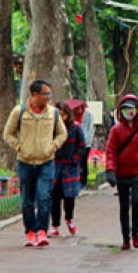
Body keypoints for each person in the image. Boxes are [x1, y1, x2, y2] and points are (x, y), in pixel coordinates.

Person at [3, 79, 67, 247]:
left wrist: (52, 147)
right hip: (25, 161)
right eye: (46, 94)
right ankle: (30, 231)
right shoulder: (20, 111)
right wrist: (19, 147)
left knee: (44, 197)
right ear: (35, 95)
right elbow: (7, 134)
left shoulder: (53, 113)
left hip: (46, 161)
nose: (49, 97)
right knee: (27, 200)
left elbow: (62, 133)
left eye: (49, 94)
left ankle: (41, 232)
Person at [105, 94, 138, 250]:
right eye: (125, 109)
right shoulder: (116, 130)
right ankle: (125, 238)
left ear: (137, 110)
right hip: (122, 174)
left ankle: (135, 233)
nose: (129, 112)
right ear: (120, 111)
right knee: (123, 206)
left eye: (132, 109)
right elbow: (111, 152)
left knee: (136, 202)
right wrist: (110, 170)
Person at [49, 102, 86, 238]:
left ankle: (69, 219)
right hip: (56, 166)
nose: (61, 117)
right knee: (55, 198)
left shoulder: (75, 128)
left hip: (70, 167)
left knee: (69, 197)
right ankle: (54, 225)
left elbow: (81, 145)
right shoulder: (51, 128)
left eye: (63, 115)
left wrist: (75, 159)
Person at [73, 101, 94, 189]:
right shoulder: (73, 116)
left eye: (79, 108)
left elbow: (91, 129)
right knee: (75, 163)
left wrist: (87, 141)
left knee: (83, 162)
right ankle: (76, 181)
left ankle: (83, 182)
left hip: (86, 143)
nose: (77, 110)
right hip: (75, 143)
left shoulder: (88, 115)